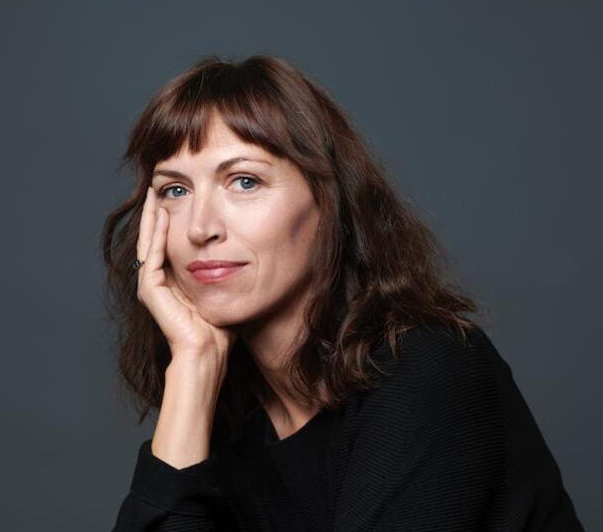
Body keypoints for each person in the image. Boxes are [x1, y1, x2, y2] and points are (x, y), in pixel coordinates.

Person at [103, 55, 584, 531]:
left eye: (244, 181)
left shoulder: (429, 369)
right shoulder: (229, 421)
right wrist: (193, 365)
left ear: (326, 201)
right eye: (175, 190)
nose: (200, 228)